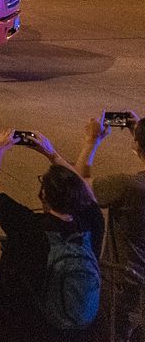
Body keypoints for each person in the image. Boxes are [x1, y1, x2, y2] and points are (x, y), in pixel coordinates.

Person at [0, 129, 104, 341]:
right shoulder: (91, 224)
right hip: (78, 333)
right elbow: (85, 190)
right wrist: (52, 154)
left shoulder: (28, 226)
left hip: (31, 330)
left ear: (43, 195)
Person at [78, 112, 145, 340]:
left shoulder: (126, 186)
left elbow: (80, 187)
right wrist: (137, 132)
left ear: (136, 145)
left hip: (125, 286)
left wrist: (91, 142)